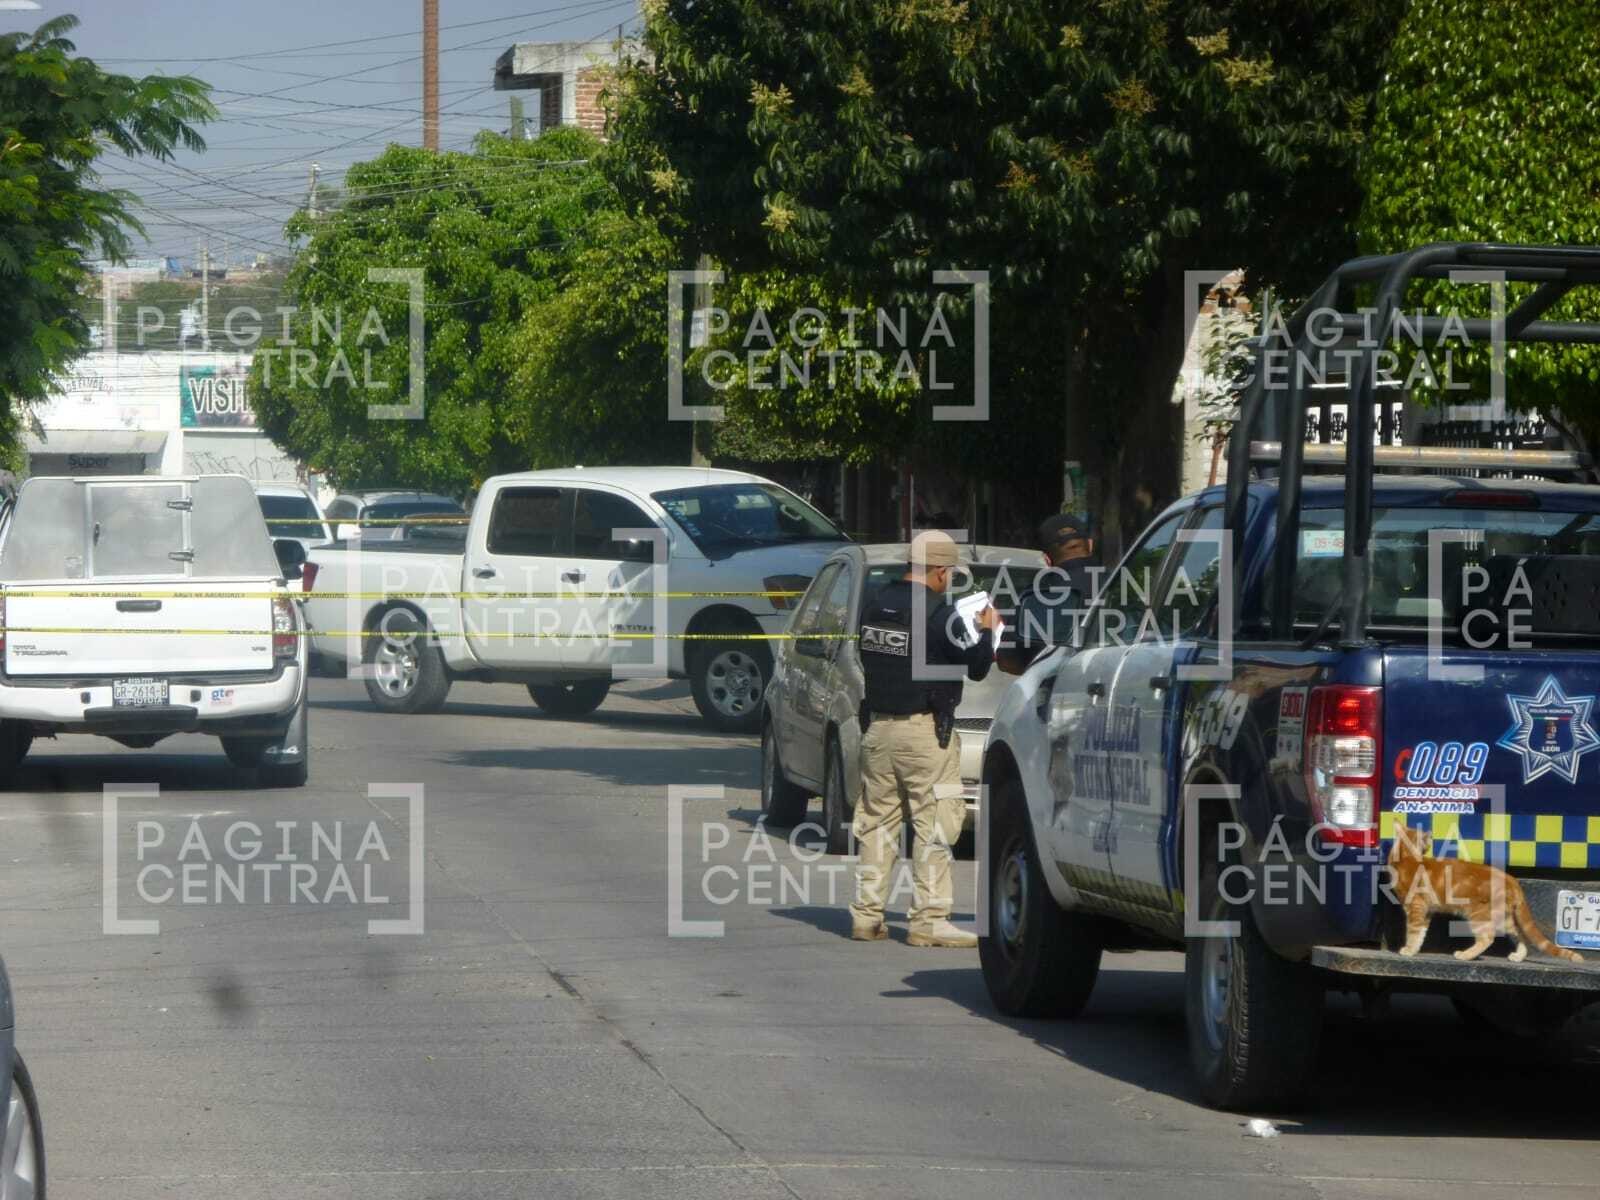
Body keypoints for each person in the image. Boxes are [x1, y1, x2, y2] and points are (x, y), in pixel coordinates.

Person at [849, 530, 997, 947]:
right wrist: (987, 629)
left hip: (877, 729)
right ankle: (928, 920)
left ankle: (867, 915)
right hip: (924, 734)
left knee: (877, 823)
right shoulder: (940, 614)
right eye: (948, 572)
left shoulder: (875, 604)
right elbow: (979, 666)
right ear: (938, 571)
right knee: (935, 825)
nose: (949, 579)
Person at [996, 512, 1099, 675]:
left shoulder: (1035, 596)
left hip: (1060, 692)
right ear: (1090, 545)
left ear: (1046, 559)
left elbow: (1008, 661)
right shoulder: (1120, 583)